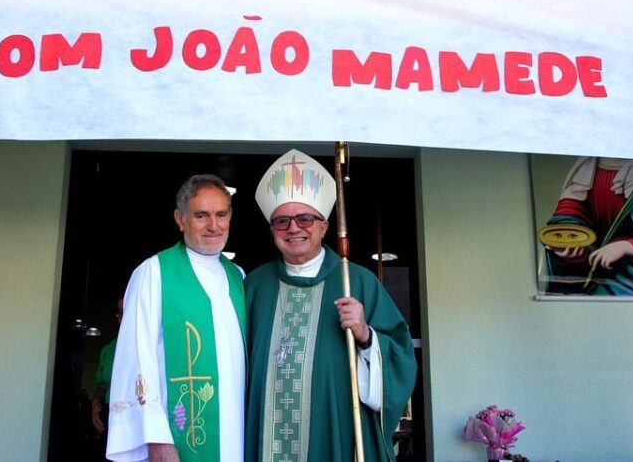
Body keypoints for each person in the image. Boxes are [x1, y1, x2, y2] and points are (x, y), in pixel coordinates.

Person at [245, 149, 418, 462]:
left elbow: (402, 358)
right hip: (265, 431)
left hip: (335, 430)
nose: (293, 228)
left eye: (305, 218)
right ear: (272, 230)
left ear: (324, 226)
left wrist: (366, 335)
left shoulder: (357, 282)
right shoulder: (254, 286)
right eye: (282, 221)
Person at [106, 174, 246, 462]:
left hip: (236, 434)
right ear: (180, 219)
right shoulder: (154, 273)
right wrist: (156, 438)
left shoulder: (239, 277)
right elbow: (137, 356)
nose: (214, 225)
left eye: (221, 215)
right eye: (201, 216)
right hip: (175, 440)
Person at [538, 157, 633, 296]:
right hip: (597, 271)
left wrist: (630, 247)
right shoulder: (588, 167)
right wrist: (571, 243)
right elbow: (572, 210)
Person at [91, 298, 124, 438]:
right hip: (109, 416)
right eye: (119, 313)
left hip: (138, 418)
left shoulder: (151, 348)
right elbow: (102, 385)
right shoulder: (109, 349)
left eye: (125, 312)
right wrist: (96, 403)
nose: (121, 318)